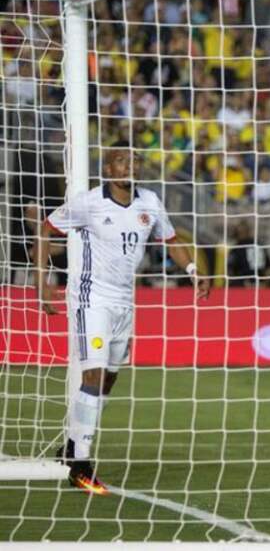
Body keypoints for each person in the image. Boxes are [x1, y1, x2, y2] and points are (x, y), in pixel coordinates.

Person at [34, 141, 210, 495]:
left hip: (125, 304)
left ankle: (70, 446)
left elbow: (171, 239)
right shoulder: (89, 203)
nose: (130, 165)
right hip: (91, 299)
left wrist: (192, 269)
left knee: (108, 382)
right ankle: (81, 464)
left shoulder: (150, 202)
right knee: (93, 374)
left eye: (135, 159)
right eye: (121, 160)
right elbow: (44, 230)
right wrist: (41, 282)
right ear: (109, 169)